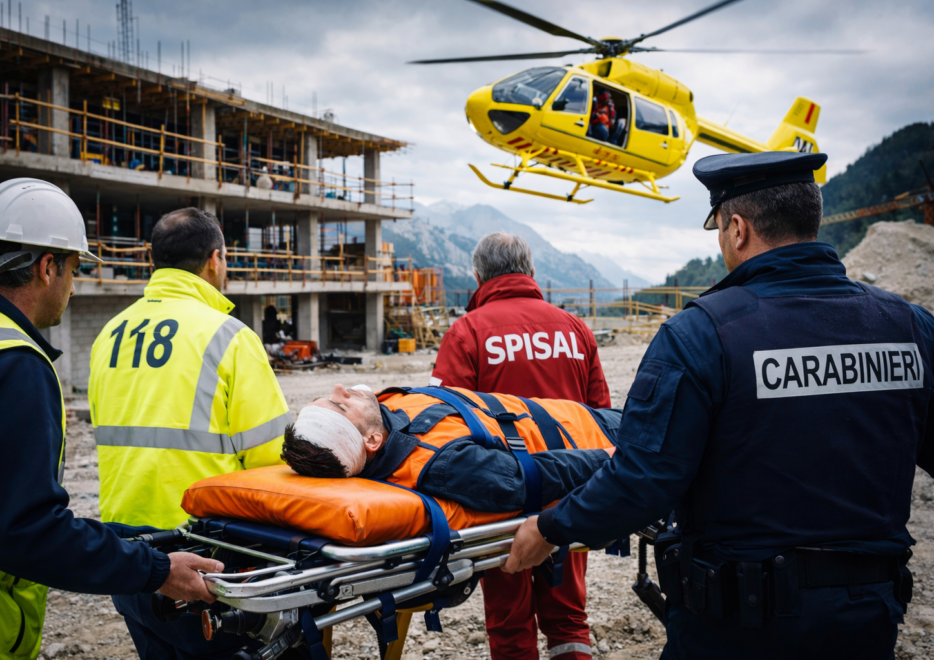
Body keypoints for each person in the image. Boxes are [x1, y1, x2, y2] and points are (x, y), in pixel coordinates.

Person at [505, 151, 934, 659]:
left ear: (737, 229)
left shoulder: (701, 334)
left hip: (739, 627)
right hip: (867, 619)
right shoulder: (909, 326)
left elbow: (644, 480)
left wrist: (551, 527)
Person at [0, 179, 221, 660]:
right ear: (48, 267)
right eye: (74, 268)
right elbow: (23, 531)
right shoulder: (8, 363)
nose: (73, 285)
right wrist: (157, 571)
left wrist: (130, 543)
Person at [88, 207, 291, 659]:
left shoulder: (110, 335)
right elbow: (272, 462)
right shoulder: (229, 337)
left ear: (155, 259)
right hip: (202, 553)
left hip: (126, 552)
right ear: (215, 259)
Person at [429, 232, 610, 660]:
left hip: (502, 500)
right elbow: (602, 418)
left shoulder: (467, 332)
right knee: (569, 619)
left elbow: (444, 427)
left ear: (478, 277)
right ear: (531, 271)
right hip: (569, 497)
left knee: (509, 624)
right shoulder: (575, 329)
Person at [281, 384, 619, 512]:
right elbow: (529, 480)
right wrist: (615, 458)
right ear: (371, 441)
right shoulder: (442, 464)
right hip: (601, 437)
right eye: (341, 405)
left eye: (327, 396)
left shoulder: (386, 414)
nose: (340, 388)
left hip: (582, 417)